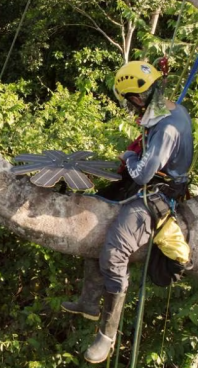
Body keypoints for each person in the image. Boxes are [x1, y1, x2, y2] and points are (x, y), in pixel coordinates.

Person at [61, 60, 194, 364]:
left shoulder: (166, 127)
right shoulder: (170, 110)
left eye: (130, 102)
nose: (131, 108)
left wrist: (129, 156)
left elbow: (143, 174)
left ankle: (107, 334)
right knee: (94, 207)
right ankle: (89, 301)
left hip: (156, 192)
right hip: (158, 181)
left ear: (136, 98)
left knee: (114, 252)